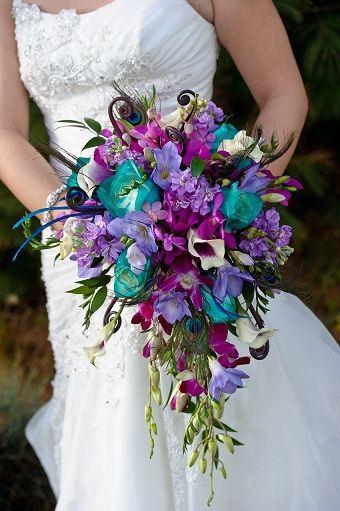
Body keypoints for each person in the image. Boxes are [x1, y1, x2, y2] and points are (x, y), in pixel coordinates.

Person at [1, 1, 339, 509]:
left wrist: (229, 199)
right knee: (108, 435)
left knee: (226, 423)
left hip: (203, 244)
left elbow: (283, 92)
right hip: (83, 254)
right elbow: (3, 131)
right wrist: (84, 229)